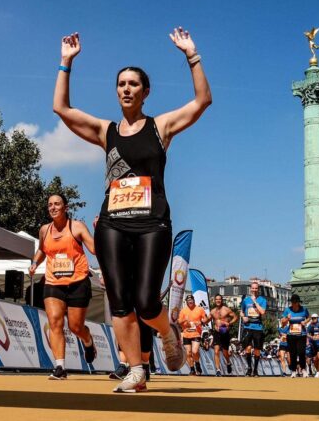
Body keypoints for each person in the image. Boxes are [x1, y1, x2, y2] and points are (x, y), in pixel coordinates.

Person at [53, 27, 212, 392]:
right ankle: (136, 370)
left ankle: (167, 330)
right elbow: (61, 109)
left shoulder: (161, 127)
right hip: (112, 223)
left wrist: (192, 55)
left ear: (146, 92)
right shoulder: (105, 131)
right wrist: (66, 63)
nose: (126, 89)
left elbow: (202, 100)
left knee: (144, 301)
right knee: (120, 301)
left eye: (133, 84)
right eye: (121, 84)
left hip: (153, 223)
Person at [29, 194, 97, 380]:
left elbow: (94, 249)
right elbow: (42, 249)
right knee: (55, 322)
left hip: (78, 282)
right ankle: (60, 367)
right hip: (53, 282)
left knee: (75, 327)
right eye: (50, 204)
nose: (53, 207)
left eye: (57, 204)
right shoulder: (44, 230)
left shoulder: (76, 227)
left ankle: (88, 340)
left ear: (65, 207)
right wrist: (35, 263)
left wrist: (99, 231)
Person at [240, 282, 267, 376]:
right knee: (248, 348)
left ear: (258, 289)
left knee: (257, 350)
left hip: (258, 327)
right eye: (253, 288)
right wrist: (243, 317)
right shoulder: (246, 300)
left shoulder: (262, 300)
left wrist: (255, 302)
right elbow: (241, 311)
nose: (254, 290)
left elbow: (263, 312)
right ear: (250, 289)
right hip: (248, 326)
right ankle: (249, 368)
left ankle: (255, 369)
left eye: (256, 288)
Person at [178, 294, 210, 375]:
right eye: (188, 301)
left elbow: (206, 319)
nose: (190, 302)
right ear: (186, 302)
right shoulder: (183, 311)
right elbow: (179, 322)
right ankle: (192, 369)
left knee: (195, 351)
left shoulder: (200, 309)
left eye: (191, 300)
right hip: (186, 334)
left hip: (196, 333)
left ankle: (197, 363)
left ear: (194, 301)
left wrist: (201, 322)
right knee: (188, 353)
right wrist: (184, 319)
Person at [280, 294, 310, 378]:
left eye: (295, 302)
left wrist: (305, 322)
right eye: (292, 302)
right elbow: (282, 322)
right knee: (292, 353)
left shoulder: (304, 309)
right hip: (291, 334)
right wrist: (287, 319)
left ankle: (303, 369)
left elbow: (309, 317)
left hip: (302, 334)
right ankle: (293, 370)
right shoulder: (287, 310)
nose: (293, 304)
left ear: (298, 302)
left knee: (301, 352)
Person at [210, 294, 238, 376]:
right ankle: (218, 370)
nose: (218, 301)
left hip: (225, 332)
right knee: (216, 351)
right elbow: (207, 319)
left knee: (225, 352)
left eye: (219, 299)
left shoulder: (226, 310)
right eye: (216, 299)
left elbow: (235, 317)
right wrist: (201, 322)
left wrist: (229, 323)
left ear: (222, 300)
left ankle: (228, 363)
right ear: (214, 301)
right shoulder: (212, 311)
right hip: (216, 332)